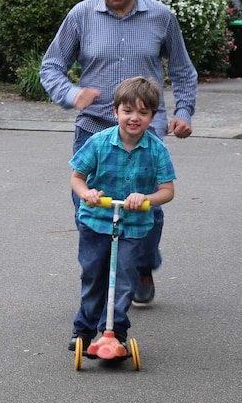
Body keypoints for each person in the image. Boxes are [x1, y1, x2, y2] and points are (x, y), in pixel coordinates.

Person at [40, 0, 197, 306]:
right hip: (94, 129)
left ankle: (141, 264)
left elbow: (184, 71)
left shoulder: (161, 16)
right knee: (90, 209)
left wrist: (184, 112)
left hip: (146, 132)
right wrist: (71, 93)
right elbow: (51, 66)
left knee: (146, 208)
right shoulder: (81, 15)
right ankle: (99, 282)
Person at [67, 76, 176, 351]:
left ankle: (115, 331)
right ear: (115, 112)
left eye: (143, 112)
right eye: (128, 111)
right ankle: (83, 329)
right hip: (96, 222)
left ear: (152, 116)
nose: (134, 118)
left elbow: (167, 191)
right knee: (94, 276)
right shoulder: (99, 142)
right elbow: (77, 178)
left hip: (134, 227)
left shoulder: (156, 150)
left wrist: (146, 198)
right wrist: (86, 194)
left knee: (124, 279)